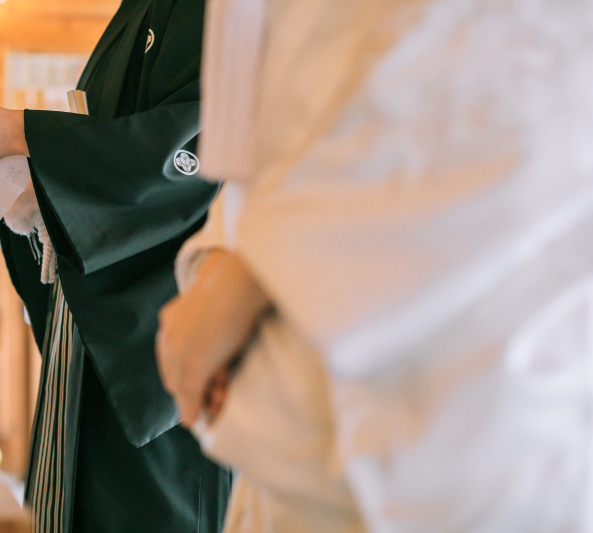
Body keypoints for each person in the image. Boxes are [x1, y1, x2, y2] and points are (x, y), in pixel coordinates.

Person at [156, 0, 593, 531]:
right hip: (278, 417)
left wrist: (253, 273)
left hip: (456, 397)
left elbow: (528, 53)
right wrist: (224, 254)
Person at [0, 1, 231, 532]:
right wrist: (16, 192)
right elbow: (98, 167)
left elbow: (196, 149)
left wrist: (18, 133)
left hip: (157, 333)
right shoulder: (138, 11)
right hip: (90, 328)